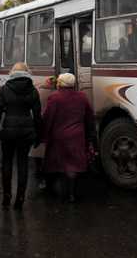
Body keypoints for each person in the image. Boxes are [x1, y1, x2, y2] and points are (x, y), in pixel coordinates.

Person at [0, 62, 41, 210]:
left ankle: (6, 196)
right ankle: (20, 198)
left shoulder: (4, 90)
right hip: (27, 131)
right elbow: (37, 115)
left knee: (7, 162)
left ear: (12, 73)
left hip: (8, 131)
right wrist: (39, 135)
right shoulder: (33, 90)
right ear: (27, 72)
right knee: (23, 163)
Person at [41, 73, 95, 203]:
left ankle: (51, 189)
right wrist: (90, 136)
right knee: (73, 165)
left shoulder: (54, 98)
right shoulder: (82, 97)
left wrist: (43, 136)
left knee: (55, 163)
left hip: (58, 137)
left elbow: (48, 118)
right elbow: (89, 117)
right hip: (77, 136)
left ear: (60, 84)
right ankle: (71, 194)